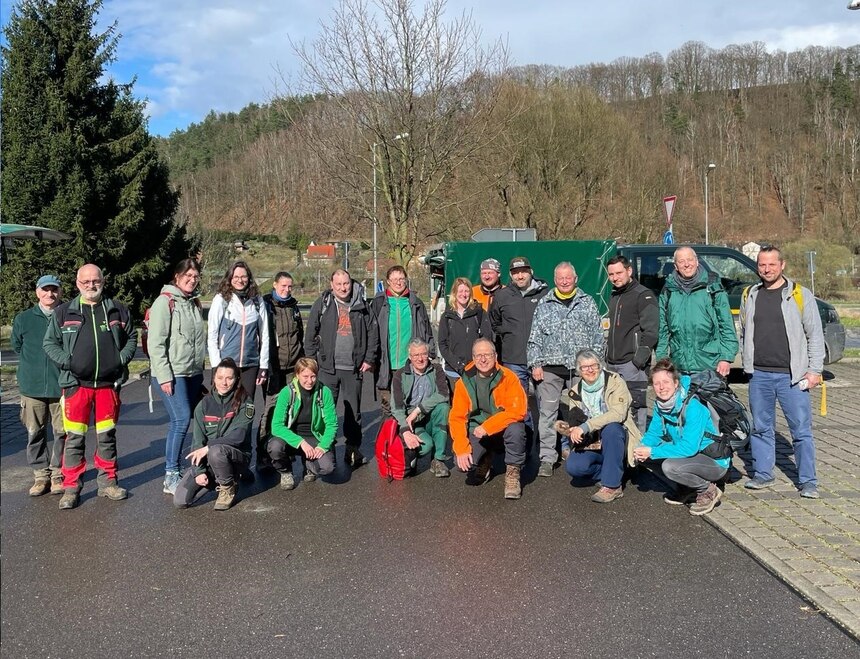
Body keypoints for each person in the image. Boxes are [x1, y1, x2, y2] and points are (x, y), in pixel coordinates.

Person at [43, 264, 137, 510]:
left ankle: (108, 483)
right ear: (77, 284)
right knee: (74, 439)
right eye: (86, 282)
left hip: (108, 386)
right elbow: (50, 343)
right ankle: (71, 487)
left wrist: (120, 359)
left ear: (103, 281)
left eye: (95, 281)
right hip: (76, 386)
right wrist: (69, 362)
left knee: (106, 437)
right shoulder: (64, 312)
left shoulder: (118, 310)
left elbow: (132, 338)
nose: (91, 285)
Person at [739, 246, 825, 498]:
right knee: (760, 428)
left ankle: (808, 481)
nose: (766, 269)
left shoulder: (800, 295)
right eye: (762, 265)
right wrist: (747, 363)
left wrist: (814, 370)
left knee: (801, 431)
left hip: (793, 377)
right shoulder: (750, 294)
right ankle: (763, 474)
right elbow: (744, 332)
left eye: (771, 265)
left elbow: (815, 335)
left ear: (782, 265)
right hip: (759, 375)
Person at [528, 261, 604, 476]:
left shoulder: (587, 303)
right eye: (560, 278)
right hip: (550, 369)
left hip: (581, 370)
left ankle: (580, 450)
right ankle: (547, 458)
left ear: (575, 279)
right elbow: (534, 338)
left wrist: (594, 366)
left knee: (582, 412)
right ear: (555, 280)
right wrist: (535, 364)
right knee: (548, 414)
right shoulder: (544, 303)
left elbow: (598, 336)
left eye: (568, 277)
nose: (564, 281)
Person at [633, 359, 729, 516]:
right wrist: (641, 448)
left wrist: (653, 451)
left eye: (666, 382)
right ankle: (687, 488)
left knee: (669, 466)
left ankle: (707, 490)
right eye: (657, 383)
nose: (661, 387)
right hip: (691, 456)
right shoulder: (660, 405)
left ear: (676, 383)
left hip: (713, 461)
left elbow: (689, 447)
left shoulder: (693, 407)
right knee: (647, 456)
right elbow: (654, 434)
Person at [305, 268, 379, 468]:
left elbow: (373, 333)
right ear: (332, 285)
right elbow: (310, 334)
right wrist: (312, 362)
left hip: (353, 367)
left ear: (351, 282)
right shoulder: (323, 304)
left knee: (353, 412)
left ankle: (352, 448)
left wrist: (369, 358)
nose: (342, 287)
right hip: (327, 367)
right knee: (324, 410)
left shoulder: (362, 304)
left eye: (345, 283)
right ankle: (324, 449)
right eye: (338, 284)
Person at [147, 258, 206, 495]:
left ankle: (193, 466)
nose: (192, 280)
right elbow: (156, 344)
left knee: (195, 418)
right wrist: (164, 377)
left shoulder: (193, 303)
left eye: (195, 276)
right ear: (177, 276)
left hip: (192, 373)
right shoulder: (164, 303)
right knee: (181, 420)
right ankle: (171, 474)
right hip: (172, 374)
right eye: (187, 276)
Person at [557, 349, 641, 503]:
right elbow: (577, 420)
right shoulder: (575, 392)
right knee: (574, 467)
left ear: (600, 365)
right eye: (584, 367)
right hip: (592, 442)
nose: (590, 370)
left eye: (594, 366)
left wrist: (586, 425)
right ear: (579, 371)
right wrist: (572, 429)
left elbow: (618, 413)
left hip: (617, 438)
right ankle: (614, 471)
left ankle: (612, 485)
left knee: (612, 428)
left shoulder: (615, 381)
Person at [449, 338, 528, 499]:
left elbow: (518, 410)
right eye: (478, 355)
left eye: (487, 355)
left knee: (516, 429)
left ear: (495, 355)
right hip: (477, 431)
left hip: (502, 430)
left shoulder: (508, 377)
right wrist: (461, 448)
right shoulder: (464, 381)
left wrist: (488, 426)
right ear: (473, 357)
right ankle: (485, 458)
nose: (483, 359)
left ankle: (513, 473)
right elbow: (457, 417)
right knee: (462, 463)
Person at [174, 358, 255, 511]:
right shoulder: (203, 405)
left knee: (216, 451)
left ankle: (228, 486)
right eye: (220, 377)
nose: (224, 383)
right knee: (180, 501)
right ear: (214, 378)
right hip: (211, 459)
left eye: (229, 378)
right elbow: (198, 440)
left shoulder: (245, 402)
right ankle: (224, 477)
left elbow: (239, 437)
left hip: (237, 455)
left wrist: (208, 447)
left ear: (236, 379)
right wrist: (199, 472)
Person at [11, 274, 66, 496]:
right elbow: (17, 346)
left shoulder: (67, 315)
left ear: (60, 292)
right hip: (32, 387)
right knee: (35, 432)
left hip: (61, 385)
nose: (49, 294)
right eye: (45, 290)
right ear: (37, 292)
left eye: (54, 290)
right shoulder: (24, 319)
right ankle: (40, 475)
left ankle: (58, 474)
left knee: (62, 432)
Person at [488, 256, 549, 434]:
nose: (520, 276)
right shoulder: (501, 295)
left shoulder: (544, 293)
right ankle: (526, 439)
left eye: (523, 272)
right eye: (515, 273)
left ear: (531, 272)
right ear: (510, 275)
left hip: (542, 359)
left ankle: (551, 443)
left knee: (547, 403)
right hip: (514, 359)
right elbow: (494, 322)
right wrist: (508, 330)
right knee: (518, 405)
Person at [656, 246, 737, 377]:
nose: (687, 264)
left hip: (710, 365)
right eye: (681, 261)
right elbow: (663, 329)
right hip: (679, 366)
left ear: (697, 261)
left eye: (690, 260)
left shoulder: (713, 288)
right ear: (676, 266)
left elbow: (726, 325)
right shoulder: (668, 291)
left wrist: (726, 357)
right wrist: (662, 360)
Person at [370, 265, 435, 418]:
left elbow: (426, 330)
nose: (398, 283)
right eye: (394, 279)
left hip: (409, 364)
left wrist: (430, 351)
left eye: (401, 279)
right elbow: (371, 332)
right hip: (386, 363)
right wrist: (370, 358)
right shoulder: (379, 303)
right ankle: (389, 441)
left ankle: (407, 440)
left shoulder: (415, 303)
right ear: (388, 282)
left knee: (408, 406)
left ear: (406, 280)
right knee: (388, 408)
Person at [256, 271, 305, 472]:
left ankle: (285, 451)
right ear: (275, 285)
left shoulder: (293, 307)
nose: (286, 290)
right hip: (273, 369)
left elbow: (299, 335)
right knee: (270, 411)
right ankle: (262, 454)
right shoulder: (266, 307)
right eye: (283, 286)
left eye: (289, 286)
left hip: (292, 368)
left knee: (291, 410)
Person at [605, 255, 658, 432]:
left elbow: (651, 331)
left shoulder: (643, 295)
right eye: (611, 274)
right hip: (612, 363)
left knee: (635, 411)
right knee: (614, 409)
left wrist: (638, 361)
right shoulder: (614, 295)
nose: (615, 277)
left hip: (632, 365)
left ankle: (637, 455)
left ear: (629, 271)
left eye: (619, 272)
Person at [268, 357, 337, 489]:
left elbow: (332, 425)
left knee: (328, 468)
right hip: (292, 438)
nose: (309, 381)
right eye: (305, 376)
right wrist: (301, 443)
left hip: (314, 436)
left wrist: (322, 446)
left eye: (313, 376)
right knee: (275, 447)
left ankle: (309, 465)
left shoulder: (325, 392)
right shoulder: (287, 392)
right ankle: (286, 471)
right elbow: (276, 426)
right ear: (297, 375)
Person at [207, 260, 269, 400]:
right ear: (230, 278)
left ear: (249, 278)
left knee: (247, 406)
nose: (240, 280)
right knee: (225, 406)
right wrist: (217, 365)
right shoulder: (221, 299)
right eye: (236, 277)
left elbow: (265, 335)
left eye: (243, 277)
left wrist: (263, 365)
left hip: (250, 364)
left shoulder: (257, 301)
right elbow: (212, 335)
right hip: (226, 364)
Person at [392, 339, 451, 477]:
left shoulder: (436, 370)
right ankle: (411, 457)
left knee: (443, 408)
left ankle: (438, 460)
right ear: (410, 357)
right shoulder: (399, 375)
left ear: (428, 354)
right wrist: (405, 431)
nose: (420, 359)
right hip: (412, 422)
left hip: (430, 415)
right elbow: (397, 408)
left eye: (423, 354)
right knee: (426, 446)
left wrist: (419, 410)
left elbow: (443, 394)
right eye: (416, 355)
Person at [437, 277, 492, 388]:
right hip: (453, 371)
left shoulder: (479, 313)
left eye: (466, 291)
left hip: (476, 369)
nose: (464, 294)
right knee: (456, 404)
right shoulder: (447, 316)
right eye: (460, 291)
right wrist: (457, 364)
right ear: (454, 293)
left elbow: (487, 340)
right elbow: (442, 344)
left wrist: (478, 362)